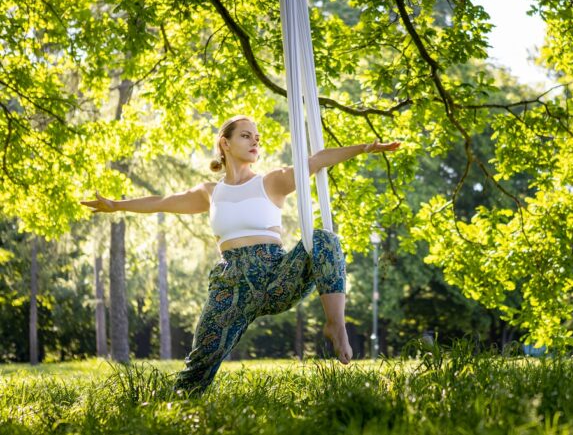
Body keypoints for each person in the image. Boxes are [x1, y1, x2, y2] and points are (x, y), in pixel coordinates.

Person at [81, 114, 401, 393]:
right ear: (225, 143)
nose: (254, 142)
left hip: (274, 275)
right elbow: (161, 201)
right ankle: (176, 406)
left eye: (257, 138)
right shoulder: (210, 193)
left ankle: (336, 325)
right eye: (246, 135)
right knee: (197, 367)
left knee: (325, 240)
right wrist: (116, 205)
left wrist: (366, 147)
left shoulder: (272, 182)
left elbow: (318, 160)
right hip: (230, 286)